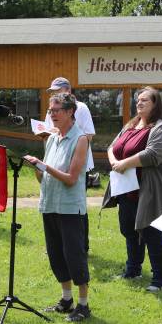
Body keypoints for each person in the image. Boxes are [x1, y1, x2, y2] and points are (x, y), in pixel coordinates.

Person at [102, 87, 162, 292]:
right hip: (127, 190)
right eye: (138, 100)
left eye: (145, 100)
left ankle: (159, 279)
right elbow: (112, 146)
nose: (139, 103)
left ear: (156, 104)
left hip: (150, 192)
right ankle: (133, 269)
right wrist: (115, 163)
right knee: (130, 230)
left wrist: (125, 163)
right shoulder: (131, 125)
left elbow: (153, 155)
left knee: (153, 233)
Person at [24, 93, 91, 322]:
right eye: (50, 110)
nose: (52, 114)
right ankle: (66, 300)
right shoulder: (51, 139)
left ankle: (83, 305)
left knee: (74, 256)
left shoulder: (80, 139)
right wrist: (37, 167)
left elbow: (72, 178)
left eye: (56, 110)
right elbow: (44, 176)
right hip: (50, 204)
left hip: (70, 208)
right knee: (56, 255)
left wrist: (43, 166)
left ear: (70, 111)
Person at [42, 77, 95, 252]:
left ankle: (81, 247)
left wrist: (69, 138)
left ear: (68, 90)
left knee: (76, 206)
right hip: (56, 158)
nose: (54, 94)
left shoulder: (82, 108)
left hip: (76, 162)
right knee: (55, 205)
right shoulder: (53, 108)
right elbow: (52, 131)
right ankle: (57, 245)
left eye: (57, 91)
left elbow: (88, 135)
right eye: (52, 92)